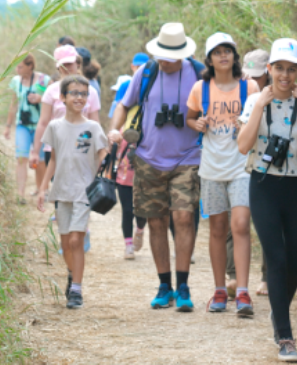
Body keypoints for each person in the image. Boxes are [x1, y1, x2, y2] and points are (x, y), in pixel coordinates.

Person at [236, 38, 297, 362]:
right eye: (279, 68)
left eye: (291, 69)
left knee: (295, 260)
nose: (285, 75)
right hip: (263, 185)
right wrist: (260, 104)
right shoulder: (255, 101)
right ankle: (285, 336)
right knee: (275, 257)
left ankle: (279, 311)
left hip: (294, 187)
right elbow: (243, 146)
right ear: (269, 69)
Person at [107, 23, 202, 312]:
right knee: (157, 221)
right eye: (161, 55)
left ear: (182, 54)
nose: (165, 61)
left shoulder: (198, 73)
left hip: (188, 157)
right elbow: (125, 104)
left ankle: (183, 285)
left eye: (170, 56)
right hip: (149, 158)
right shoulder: (146, 72)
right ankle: (165, 285)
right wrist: (116, 128)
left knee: (184, 218)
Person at [186, 32, 260, 315]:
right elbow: (190, 117)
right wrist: (197, 124)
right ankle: (219, 290)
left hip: (242, 166)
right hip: (211, 168)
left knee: (240, 225)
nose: (223, 55)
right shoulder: (200, 88)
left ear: (234, 55)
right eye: (217, 52)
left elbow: (261, 118)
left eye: (227, 50)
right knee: (217, 229)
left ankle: (242, 292)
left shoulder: (249, 86)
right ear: (210, 58)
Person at [37, 75, 109, 309]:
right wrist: (42, 188)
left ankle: (76, 289)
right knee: (66, 243)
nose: (79, 98)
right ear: (63, 98)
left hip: (84, 192)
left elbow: (102, 155)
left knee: (77, 240)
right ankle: (72, 274)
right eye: (74, 93)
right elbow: (53, 160)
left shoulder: (93, 127)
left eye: (83, 94)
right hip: (62, 191)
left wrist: (109, 163)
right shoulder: (55, 127)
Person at [31, 45, 101, 256]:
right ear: (59, 66)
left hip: (83, 149)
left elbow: (95, 121)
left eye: (75, 63)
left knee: (82, 191)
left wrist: (99, 152)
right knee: (61, 192)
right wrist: (35, 151)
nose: (72, 67)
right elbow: (43, 122)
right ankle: (66, 233)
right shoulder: (52, 92)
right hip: (56, 149)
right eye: (67, 64)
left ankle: (81, 231)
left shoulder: (90, 91)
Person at [225, 48, 273, 298]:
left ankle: (267, 276)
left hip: (268, 164)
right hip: (238, 160)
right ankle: (233, 275)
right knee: (237, 220)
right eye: (249, 75)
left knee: (267, 222)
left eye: (259, 75)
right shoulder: (237, 87)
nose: (254, 80)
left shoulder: (280, 93)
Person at [4, 54, 52, 204]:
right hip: (22, 125)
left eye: (20, 66)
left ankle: (41, 191)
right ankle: (20, 194)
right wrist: (8, 125)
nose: (17, 69)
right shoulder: (15, 82)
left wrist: (40, 98)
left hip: (40, 125)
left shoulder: (45, 80)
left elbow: (53, 101)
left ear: (30, 66)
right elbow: (14, 104)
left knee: (41, 161)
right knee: (21, 158)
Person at [109, 73, 146, 260]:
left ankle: (140, 229)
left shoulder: (146, 115)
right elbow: (112, 146)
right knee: (127, 210)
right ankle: (128, 245)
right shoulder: (120, 120)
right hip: (123, 172)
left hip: (143, 172)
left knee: (141, 210)